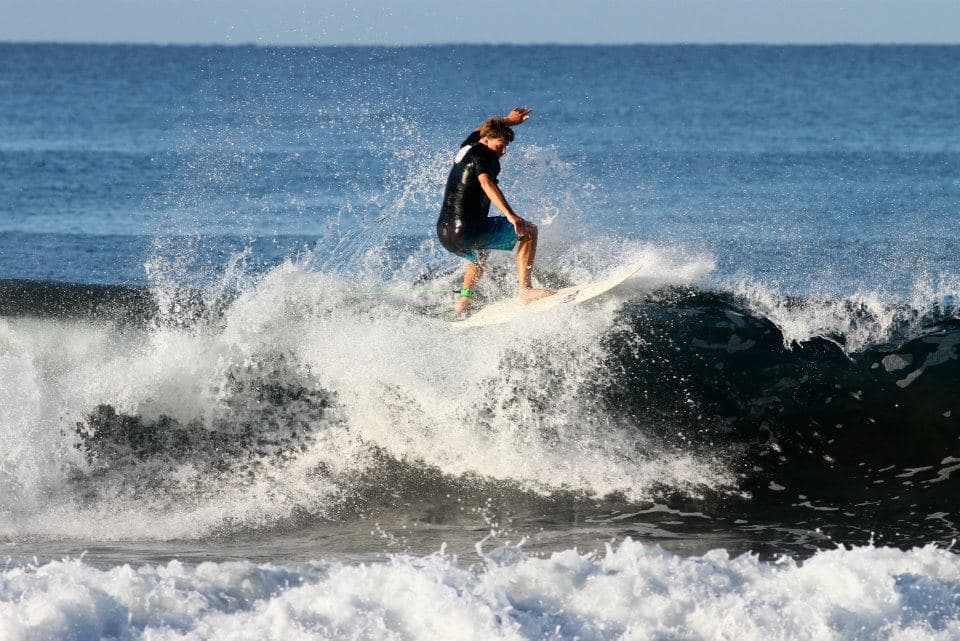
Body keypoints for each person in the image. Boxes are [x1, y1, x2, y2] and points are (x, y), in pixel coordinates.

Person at [436, 107, 555, 315]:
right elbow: (486, 183)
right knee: (529, 231)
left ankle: (463, 302)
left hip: (446, 235)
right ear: (487, 141)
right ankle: (525, 290)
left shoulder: (468, 147)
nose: (503, 151)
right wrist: (511, 215)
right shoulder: (486, 155)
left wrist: (508, 120)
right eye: (500, 145)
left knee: (480, 250)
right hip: (466, 231)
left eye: (506, 146)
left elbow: (482, 128)